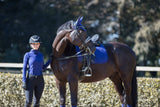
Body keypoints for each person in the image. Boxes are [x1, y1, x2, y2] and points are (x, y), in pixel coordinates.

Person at [22, 35, 51, 107]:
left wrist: (50, 60)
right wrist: (24, 81)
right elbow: (25, 68)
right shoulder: (27, 55)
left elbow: (43, 67)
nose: (35, 45)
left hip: (40, 79)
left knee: (37, 102)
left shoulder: (41, 55)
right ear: (31, 44)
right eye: (34, 44)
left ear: (39, 44)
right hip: (30, 79)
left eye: (37, 43)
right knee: (28, 101)